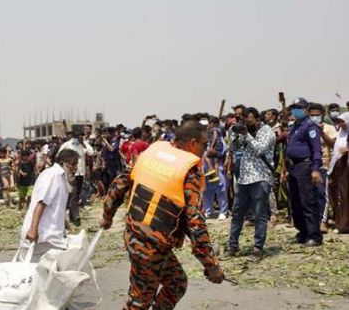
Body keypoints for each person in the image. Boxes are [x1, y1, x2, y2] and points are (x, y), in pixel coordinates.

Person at [100, 121, 224, 310]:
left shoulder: (151, 153)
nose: (205, 150)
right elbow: (196, 224)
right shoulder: (189, 171)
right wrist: (212, 266)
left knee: (176, 282)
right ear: (192, 143)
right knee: (139, 301)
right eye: (204, 145)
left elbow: (119, 184)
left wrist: (107, 216)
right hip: (150, 248)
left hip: (137, 236)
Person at [225, 107, 275, 262]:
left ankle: (258, 248)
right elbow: (233, 148)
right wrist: (235, 135)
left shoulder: (267, 131)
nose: (247, 123)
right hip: (244, 178)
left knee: (260, 214)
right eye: (244, 120)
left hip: (260, 177)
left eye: (250, 120)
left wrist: (247, 135)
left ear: (257, 119)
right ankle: (233, 245)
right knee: (237, 213)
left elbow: (260, 149)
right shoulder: (243, 132)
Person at [19, 149, 80, 262]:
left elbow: (57, 209)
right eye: (73, 164)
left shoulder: (62, 178)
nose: (75, 168)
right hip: (42, 236)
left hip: (51, 236)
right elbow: (41, 203)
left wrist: (67, 227)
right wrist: (33, 229)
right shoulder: (52, 176)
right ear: (63, 163)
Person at [286, 98, 324, 246]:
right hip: (294, 167)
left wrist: (315, 169)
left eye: (298, 107)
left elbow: (316, 150)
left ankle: (314, 235)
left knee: (308, 202)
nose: (295, 110)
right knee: (295, 203)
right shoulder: (295, 126)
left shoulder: (310, 127)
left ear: (306, 109)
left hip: (305, 166)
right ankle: (303, 231)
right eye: (294, 107)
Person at [308, 103, 338, 233]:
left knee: (322, 194)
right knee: (310, 195)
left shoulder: (329, 128)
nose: (315, 117)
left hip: (324, 165)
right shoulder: (306, 128)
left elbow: (334, 145)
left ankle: (323, 221)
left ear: (322, 115)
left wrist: (321, 132)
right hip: (308, 165)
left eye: (317, 115)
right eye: (312, 115)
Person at [58, 131, 95, 226]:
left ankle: (71, 215)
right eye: (79, 136)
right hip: (70, 172)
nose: (80, 138)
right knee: (73, 193)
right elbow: (59, 155)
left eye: (81, 136)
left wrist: (83, 143)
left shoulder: (83, 144)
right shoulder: (67, 145)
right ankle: (76, 216)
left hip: (81, 172)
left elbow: (91, 153)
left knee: (77, 194)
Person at [328, 112, 349, 233]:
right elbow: (335, 149)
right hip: (339, 169)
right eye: (339, 121)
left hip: (346, 169)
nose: (341, 124)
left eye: (343, 121)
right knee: (340, 197)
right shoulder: (341, 134)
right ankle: (342, 224)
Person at [17, 147, 36, 211]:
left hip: (30, 181)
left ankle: (27, 207)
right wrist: (22, 173)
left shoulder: (31, 163)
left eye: (27, 156)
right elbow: (19, 170)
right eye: (24, 156)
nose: (25, 157)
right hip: (22, 182)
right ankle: (20, 208)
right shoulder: (20, 163)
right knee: (22, 196)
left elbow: (33, 170)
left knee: (30, 194)